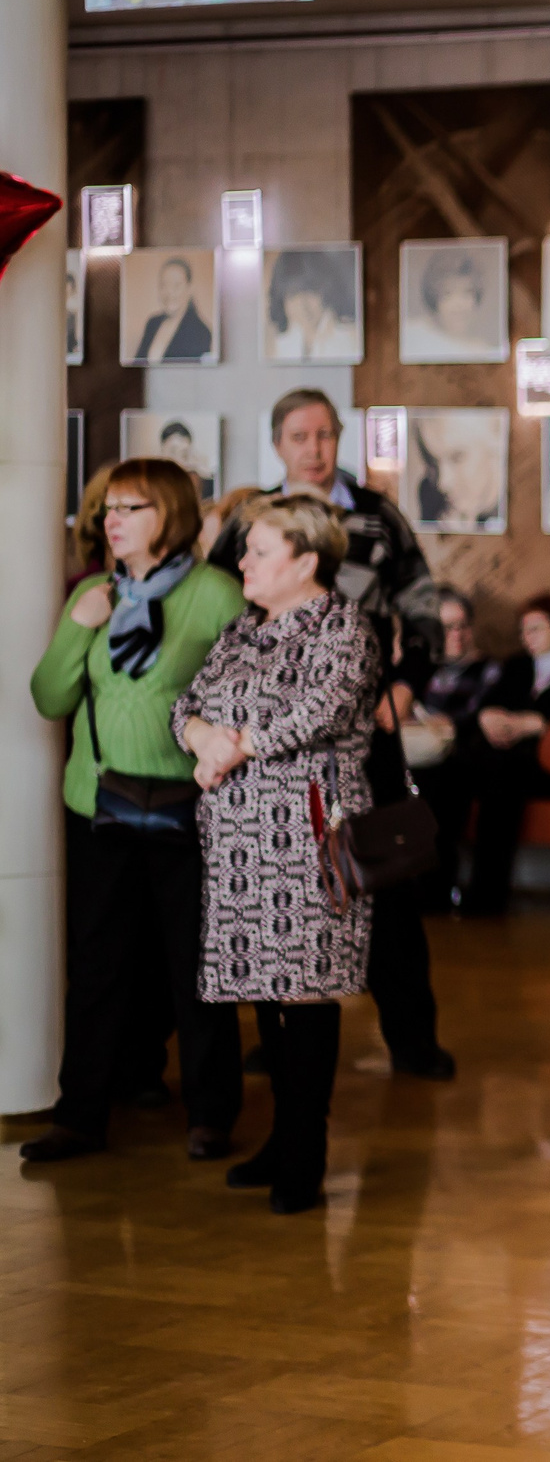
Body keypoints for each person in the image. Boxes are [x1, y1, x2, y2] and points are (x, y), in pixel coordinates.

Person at [208, 391, 453, 1081]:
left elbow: (423, 608)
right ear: (278, 443)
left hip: (363, 725)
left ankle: (413, 1040)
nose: (313, 446)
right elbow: (223, 614)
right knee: (275, 879)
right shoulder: (251, 517)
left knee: (384, 875)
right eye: (298, 435)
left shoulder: (377, 516)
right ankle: (278, 1036)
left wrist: (404, 687)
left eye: (324, 433)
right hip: (269, 736)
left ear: (338, 438)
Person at [20, 459, 247, 1166]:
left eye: (132, 507)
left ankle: (211, 1115)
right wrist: (77, 629)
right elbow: (50, 697)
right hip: (100, 806)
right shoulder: (92, 592)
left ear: (171, 515)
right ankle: (80, 1114)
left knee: (196, 967)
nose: (110, 519)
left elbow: (241, 699)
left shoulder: (216, 594)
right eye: (108, 507)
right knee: (97, 965)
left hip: (194, 809)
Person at [175, 493, 381, 1214]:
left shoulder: (345, 627)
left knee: (305, 987)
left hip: (310, 833)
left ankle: (307, 1149)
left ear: (306, 559)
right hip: (237, 843)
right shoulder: (242, 629)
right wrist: (202, 737)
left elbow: (318, 711)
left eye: (259, 550)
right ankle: (281, 1139)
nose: (243, 561)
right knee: (265, 986)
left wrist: (232, 745)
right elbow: (188, 702)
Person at [459, 594, 550, 914]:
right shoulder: (518, 665)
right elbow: (490, 703)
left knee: (501, 775)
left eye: (535, 629)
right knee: (461, 768)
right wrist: (491, 718)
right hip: (505, 757)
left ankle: (486, 896)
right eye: (524, 630)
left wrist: (532, 724)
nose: (527, 638)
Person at [407, 587, 503, 906]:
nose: (456, 635)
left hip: (460, 761)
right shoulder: (418, 671)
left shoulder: (491, 670)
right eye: (447, 627)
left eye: (462, 625)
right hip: (415, 758)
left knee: (443, 783)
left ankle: (433, 890)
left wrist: (447, 726)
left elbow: (479, 720)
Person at [404, 244, 502, 362]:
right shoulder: (412, 335)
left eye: (467, 292)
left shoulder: (485, 352)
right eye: (448, 294)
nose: (459, 305)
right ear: (434, 299)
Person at [264, 249, 362, 362]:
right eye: (293, 296)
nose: (303, 306)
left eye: (309, 291)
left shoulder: (349, 339)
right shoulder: (283, 344)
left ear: (326, 290)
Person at [133, 255, 211, 364]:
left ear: (190, 288)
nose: (169, 292)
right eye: (164, 285)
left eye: (176, 285)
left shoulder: (201, 332)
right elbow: (137, 364)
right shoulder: (152, 323)